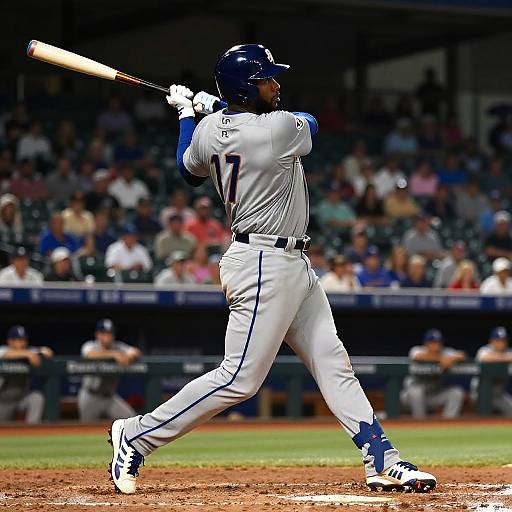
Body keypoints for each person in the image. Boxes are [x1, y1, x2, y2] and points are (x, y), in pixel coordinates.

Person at [108, 45, 436, 495]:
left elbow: (189, 170)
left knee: (332, 360)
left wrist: (190, 116)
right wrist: (216, 109)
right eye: (267, 79)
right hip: (262, 262)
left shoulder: (209, 132)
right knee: (239, 378)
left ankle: (381, 459)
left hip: (288, 261)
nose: (276, 85)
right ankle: (137, 434)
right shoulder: (278, 128)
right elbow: (312, 123)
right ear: (246, 87)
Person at [78, 319, 140, 421]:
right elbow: (89, 354)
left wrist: (129, 356)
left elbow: (135, 352)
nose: (108, 336)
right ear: (98, 335)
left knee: (132, 421)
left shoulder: (118, 346)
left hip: (110, 397)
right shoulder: (90, 345)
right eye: (104, 333)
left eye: (110, 333)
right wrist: (114, 354)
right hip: (90, 396)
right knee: (85, 429)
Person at [401, 329, 466, 419]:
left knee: (456, 392)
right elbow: (417, 356)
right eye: (433, 342)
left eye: (439, 342)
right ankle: (419, 423)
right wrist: (440, 359)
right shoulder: (417, 350)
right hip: (410, 398)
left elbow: (462, 355)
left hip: (433, 396)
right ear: (426, 343)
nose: (437, 346)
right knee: (416, 391)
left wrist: (452, 358)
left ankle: (448, 424)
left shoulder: (445, 353)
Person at [0, 325, 53, 424]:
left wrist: (37, 353)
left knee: (37, 397)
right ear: (10, 341)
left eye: (23, 340)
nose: (22, 343)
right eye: (18, 340)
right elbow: (6, 354)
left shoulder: (30, 350)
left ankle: (32, 430)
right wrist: (28, 354)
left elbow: (48, 352)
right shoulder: (3, 349)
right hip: (3, 401)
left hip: (21, 399)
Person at [472, 327, 512, 416]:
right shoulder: (483, 350)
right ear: (491, 341)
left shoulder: (509, 352)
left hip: (499, 395)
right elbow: (485, 357)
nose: (500, 343)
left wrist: (501, 358)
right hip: (479, 394)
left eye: (503, 341)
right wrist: (505, 358)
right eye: (497, 340)